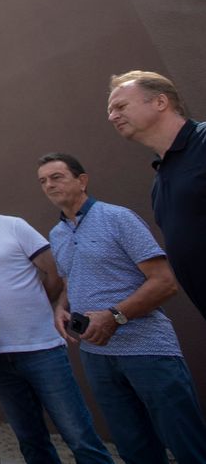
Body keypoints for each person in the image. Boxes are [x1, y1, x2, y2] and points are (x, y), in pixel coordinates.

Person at [39, 152, 206, 463]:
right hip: (96, 355)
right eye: (43, 181)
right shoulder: (57, 234)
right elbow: (70, 281)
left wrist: (114, 316)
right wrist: (61, 307)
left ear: (82, 181)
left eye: (56, 177)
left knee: (186, 442)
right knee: (133, 448)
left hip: (147, 350)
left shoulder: (118, 218)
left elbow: (164, 282)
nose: (49, 185)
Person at [0, 184, 112, 464]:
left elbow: (54, 271)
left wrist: (44, 303)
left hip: (42, 349)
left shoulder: (14, 227)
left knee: (79, 435)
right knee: (30, 440)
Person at [107, 70, 206, 321]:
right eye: (111, 110)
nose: (112, 116)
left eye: (121, 106)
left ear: (160, 102)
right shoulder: (159, 184)